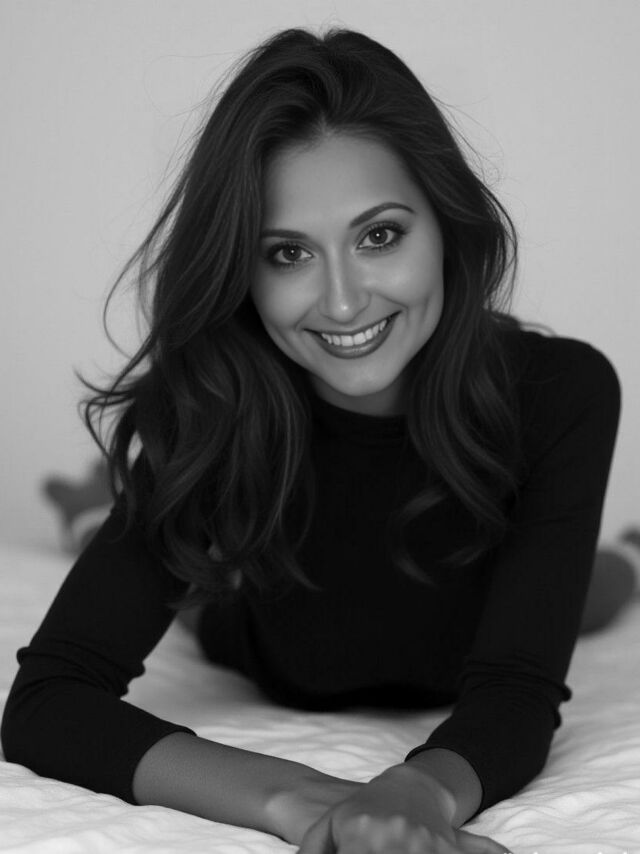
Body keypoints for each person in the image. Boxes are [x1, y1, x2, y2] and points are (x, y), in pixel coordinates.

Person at [1, 26, 623, 854]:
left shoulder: (564, 391)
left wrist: (422, 790)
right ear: (244, 272)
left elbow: (516, 686)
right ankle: (90, 511)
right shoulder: (219, 413)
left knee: (601, 589)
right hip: (264, 629)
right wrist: (304, 800)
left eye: (380, 236)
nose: (342, 302)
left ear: (446, 222)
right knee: (191, 592)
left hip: (479, 613)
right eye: (289, 253)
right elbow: (47, 702)